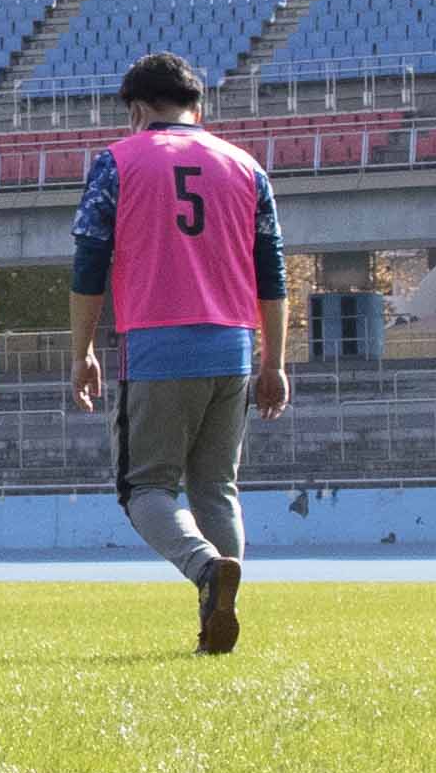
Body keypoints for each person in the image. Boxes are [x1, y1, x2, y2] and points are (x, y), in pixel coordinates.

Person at [68, 52, 288, 655]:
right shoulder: (246, 167)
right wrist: (274, 361)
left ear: (138, 109)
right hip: (234, 347)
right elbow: (273, 272)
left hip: (158, 344)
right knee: (216, 487)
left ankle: (205, 569)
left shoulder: (117, 161)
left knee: (145, 489)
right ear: (199, 106)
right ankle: (220, 616)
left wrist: (81, 350)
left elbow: (90, 263)